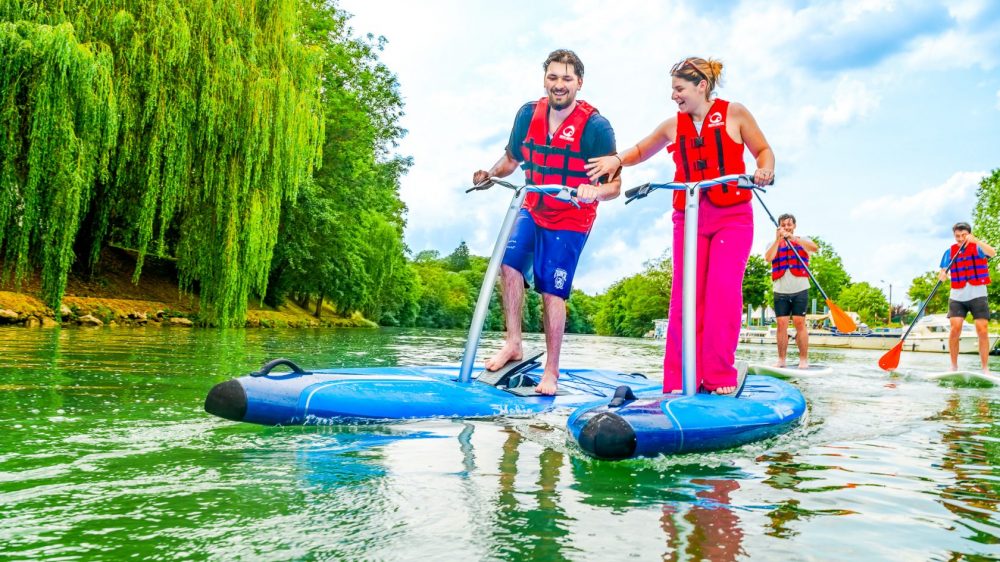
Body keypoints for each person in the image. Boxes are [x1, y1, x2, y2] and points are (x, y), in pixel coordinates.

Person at [585, 56, 773, 394]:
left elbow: (763, 151)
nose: (674, 96)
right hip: (689, 216)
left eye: (679, 88)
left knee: (722, 293)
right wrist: (616, 159)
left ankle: (718, 376)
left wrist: (764, 169)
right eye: (673, 89)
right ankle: (677, 379)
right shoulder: (673, 125)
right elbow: (642, 150)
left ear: (701, 86)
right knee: (685, 297)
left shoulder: (736, 114)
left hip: (732, 217)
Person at [472, 49, 620, 395]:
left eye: (567, 79)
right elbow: (511, 159)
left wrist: (593, 192)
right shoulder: (527, 115)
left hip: (571, 216)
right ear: (544, 80)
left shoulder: (597, 128)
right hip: (533, 204)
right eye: (553, 77)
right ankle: (513, 344)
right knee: (508, 266)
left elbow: (614, 186)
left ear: (579, 83)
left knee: (552, 292)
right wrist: (489, 174)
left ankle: (551, 371)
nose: (559, 85)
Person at [937, 222, 996, 374]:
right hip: (957, 296)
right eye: (957, 236)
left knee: (982, 330)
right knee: (955, 329)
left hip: (978, 294)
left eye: (963, 235)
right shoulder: (949, 252)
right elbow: (943, 271)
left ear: (969, 234)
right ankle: (954, 366)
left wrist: (976, 240)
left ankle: (985, 368)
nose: (960, 239)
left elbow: (993, 253)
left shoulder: (977, 247)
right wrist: (942, 275)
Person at [763, 213, 818, 369]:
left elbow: (814, 248)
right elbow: (768, 258)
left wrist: (794, 239)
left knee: (800, 323)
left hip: (800, 288)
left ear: (794, 226)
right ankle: (781, 360)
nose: (787, 227)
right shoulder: (772, 243)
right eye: (783, 225)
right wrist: (777, 240)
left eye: (789, 225)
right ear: (779, 227)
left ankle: (803, 360)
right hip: (780, 290)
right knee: (781, 324)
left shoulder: (803, 240)